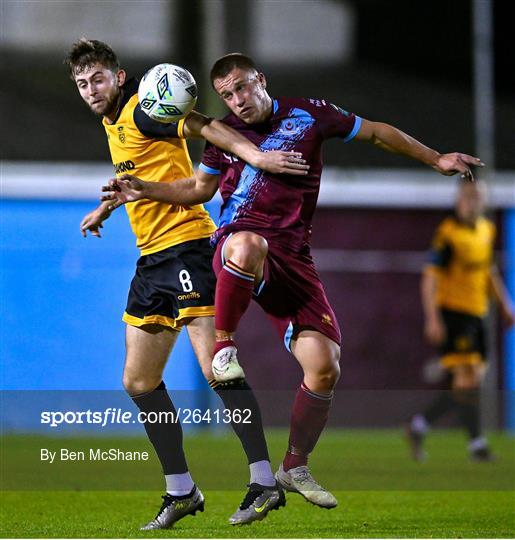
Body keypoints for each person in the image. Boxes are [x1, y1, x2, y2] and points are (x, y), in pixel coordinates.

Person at [102, 52, 483, 510]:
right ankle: (224, 347)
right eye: (226, 95)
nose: (237, 101)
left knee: (325, 366)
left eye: (242, 87)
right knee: (246, 247)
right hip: (233, 246)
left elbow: (377, 132)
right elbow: (199, 191)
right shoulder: (226, 135)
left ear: (261, 79)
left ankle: (292, 467)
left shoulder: (310, 114)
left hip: (294, 257)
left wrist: (435, 158)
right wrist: (146, 188)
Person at [65, 40, 310, 529]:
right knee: (138, 381)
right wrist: (108, 207)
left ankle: (264, 480)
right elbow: (139, 175)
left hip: (187, 249)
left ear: (118, 75)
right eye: (81, 83)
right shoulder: (117, 119)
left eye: (97, 79)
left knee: (218, 369)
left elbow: (207, 126)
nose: (90, 90)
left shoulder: (143, 110)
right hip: (152, 259)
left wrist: (257, 157)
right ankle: (182, 490)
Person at [406, 178, 515, 462]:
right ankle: (476, 444)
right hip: (453, 313)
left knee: (469, 381)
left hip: (479, 314)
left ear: (484, 201)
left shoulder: (486, 230)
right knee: (467, 379)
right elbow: (430, 277)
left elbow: (488, 270)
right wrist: (432, 318)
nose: (472, 202)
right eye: (467, 197)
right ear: (458, 201)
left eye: (477, 197)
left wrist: (505, 304)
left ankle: (419, 425)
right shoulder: (448, 234)